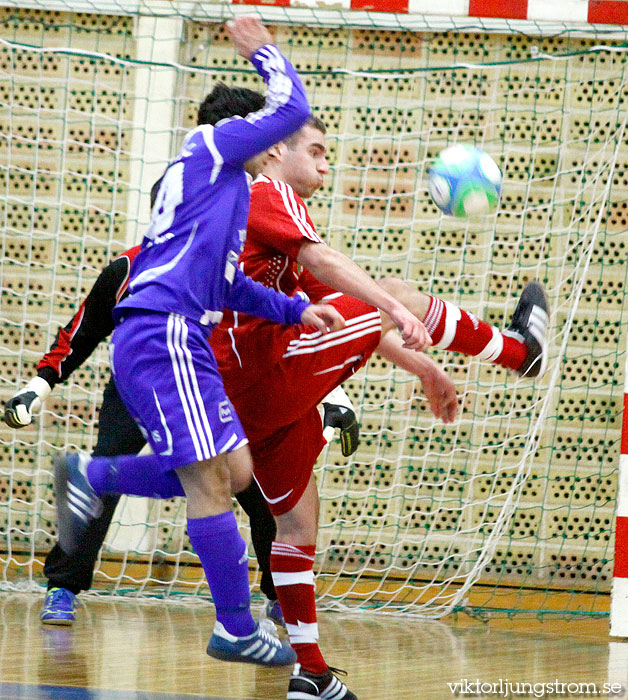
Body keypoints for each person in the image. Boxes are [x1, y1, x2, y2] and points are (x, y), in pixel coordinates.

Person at [55, 106, 548, 699]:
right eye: (313, 150)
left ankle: (310, 673)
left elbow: (337, 306)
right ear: (275, 152)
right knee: (391, 292)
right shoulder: (267, 192)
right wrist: (394, 310)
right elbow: (339, 273)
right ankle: (519, 353)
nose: (324, 163)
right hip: (253, 369)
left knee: (291, 518)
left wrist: (424, 366)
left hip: (245, 397)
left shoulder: (253, 221)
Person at [50, 16, 387, 670]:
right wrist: (263, 47)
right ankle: (233, 624)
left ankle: (90, 475)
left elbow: (228, 286)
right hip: (162, 330)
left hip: (179, 333)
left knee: (233, 473)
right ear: (241, 134)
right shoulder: (213, 149)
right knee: (210, 479)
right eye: (269, 140)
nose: (275, 147)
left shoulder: (221, 191)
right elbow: (293, 105)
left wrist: (294, 311)